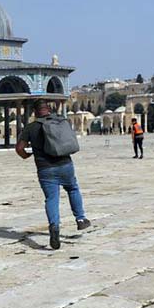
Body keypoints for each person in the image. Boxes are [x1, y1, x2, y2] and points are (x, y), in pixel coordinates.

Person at [15, 100, 91, 250]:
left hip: (45, 169)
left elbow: (19, 148)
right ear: (48, 110)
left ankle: (54, 227)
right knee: (72, 189)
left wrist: (25, 155)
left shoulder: (31, 128)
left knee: (51, 198)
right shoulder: (61, 122)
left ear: (35, 112)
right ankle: (81, 219)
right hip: (65, 165)